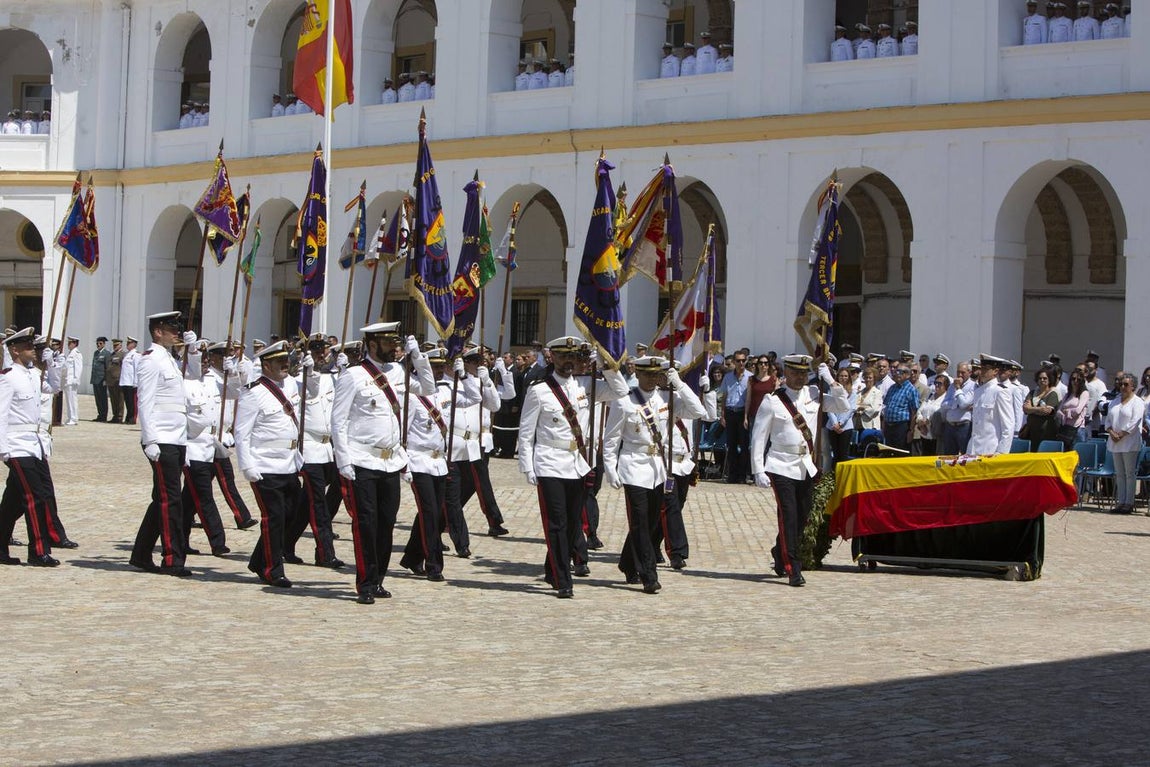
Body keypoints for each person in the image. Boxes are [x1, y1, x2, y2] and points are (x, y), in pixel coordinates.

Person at [331, 322, 435, 605]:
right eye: (390, 344)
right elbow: (337, 421)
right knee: (366, 523)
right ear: (373, 344)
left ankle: (378, 580)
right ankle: (364, 582)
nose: (395, 348)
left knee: (386, 523)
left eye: (397, 343)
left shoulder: (398, 372)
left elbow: (428, 387)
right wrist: (343, 460)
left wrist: (419, 358)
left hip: (390, 462)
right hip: (362, 460)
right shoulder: (353, 376)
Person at [518, 337, 627, 599]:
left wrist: (605, 363)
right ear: (551, 358)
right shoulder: (538, 389)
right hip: (549, 461)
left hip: (578, 463)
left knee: (572, 523)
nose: (568, 362)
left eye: (573, 357)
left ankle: (550, 567)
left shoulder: (586, 385)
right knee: (556, 523)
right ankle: (562, 578)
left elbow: (621, 391)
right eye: (563, 357)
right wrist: (527, 465)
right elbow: (525, 431)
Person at [603, 356, 704, 593]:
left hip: (657, 467)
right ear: (637, 374)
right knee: (639, 520)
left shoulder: (666, 399)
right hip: (633, 466)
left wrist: (679, 384)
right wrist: (610, 468)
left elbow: (698, 411)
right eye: (647, 374)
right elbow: (611, 440)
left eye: (655, 374)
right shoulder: (624, 402)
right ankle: (648, 574)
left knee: (650, 522)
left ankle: (627, 562)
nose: (652, 379)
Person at [751, 355, 850, 587]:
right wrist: (758, 469)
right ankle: (792, 566)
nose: (799, 377)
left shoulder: (815, 394)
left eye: (804, 373)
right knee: (788, 514)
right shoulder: (772, 400)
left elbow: (844, 406)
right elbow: (758, 437)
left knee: (802, 516)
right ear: (786, 372)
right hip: (780, 464)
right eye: (795, 373)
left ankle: (780, 552)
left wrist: (831, 380)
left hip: (805, 465)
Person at [129, 311, 196, 576]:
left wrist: (193, 351)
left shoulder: (170, 358)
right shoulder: (151, 360)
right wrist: (150, 439)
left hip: (176, 439)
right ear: (158, 332)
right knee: (172, 501)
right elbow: (144, 402)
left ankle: (141, 554)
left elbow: (194, 377)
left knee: (162, 499)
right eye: (171, 328)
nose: (176, 332)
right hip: (162, 440)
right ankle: (172, 558)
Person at [234, 341, 303, 588]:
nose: (286, 365)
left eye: (287, 360)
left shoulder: (291, 385)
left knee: (292, 514)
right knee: (274, 517)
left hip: (289, 464)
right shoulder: (253, 392)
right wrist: (247, 466)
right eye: (279, 362)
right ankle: (272, 569)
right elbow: (242, 433)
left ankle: (258, 560)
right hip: (265, 466)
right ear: (266, 365)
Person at [0, 328, 61, 567]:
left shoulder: (33, 374)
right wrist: (3, 448)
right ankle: (37, 551)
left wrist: (52, 363)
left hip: (33, 445)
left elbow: (53, 387)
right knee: (35, 496)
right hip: (16, 446)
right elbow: (1, 414)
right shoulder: (7, 377)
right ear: (14, 350)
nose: (32, 350)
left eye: (33, 347)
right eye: (27, 347)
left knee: (13, 502)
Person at [179, 342, 231, 558]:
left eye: (208, 359)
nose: (206, 363)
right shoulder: (183, 384)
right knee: (204, 497)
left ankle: (176, 538)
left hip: (212, 446)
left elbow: (235, 391)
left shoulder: (211, 381)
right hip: (193, 448)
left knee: (188, 500)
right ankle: (218, 541)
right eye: (202, 359)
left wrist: (233, 371)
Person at [440, 346, 492, 558]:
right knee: (447, 499)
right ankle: (460, 542)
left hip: (469, 448)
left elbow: (479, 399)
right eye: (453, 363)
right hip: (447, 448)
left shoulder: (467, 382)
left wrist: (467, 377)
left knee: (461, 492)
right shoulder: (438, 386)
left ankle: (441, 529)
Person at [1106, 373, 1144, 513]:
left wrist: (1121, 434)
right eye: (1121, 384)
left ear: (1133, 386)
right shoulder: (1114, 401)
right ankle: (1120, 502)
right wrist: (1112, 432)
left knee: (1129, 473)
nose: (1122, 387)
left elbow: (1135, 421)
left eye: (1126, 384)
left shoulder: (1137, 401)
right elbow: (1108, 420)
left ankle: (1129, 503)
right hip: (1115, 441)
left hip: (1129, 442)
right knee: (1119, 473)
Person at [968, 355, 1016, 455]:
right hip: (973, 449)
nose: (982, 371)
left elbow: (1008, 425)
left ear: (995, 371)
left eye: (986, 369)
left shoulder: (1000, 392)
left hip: (990, 450)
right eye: (981, 368)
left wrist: (1001, 452)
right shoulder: (978, 391)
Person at [717, 350, 752, 483]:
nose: (741, 363)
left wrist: (746, 417)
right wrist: (723, 415)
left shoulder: (750, 377)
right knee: (731, 445)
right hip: (730, 412)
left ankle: (742, 476)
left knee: (744, 445)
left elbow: (749, 399)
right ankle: (732, 475)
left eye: (743, 360)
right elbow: (724, 396)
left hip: (743, 412)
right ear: (734, 362)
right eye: (738, 361)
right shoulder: (727, 377)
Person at [939, 362, 975, 454]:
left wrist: (958, 388)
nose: (959, 375)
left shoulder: (973, 386)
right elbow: (943, 404)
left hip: (963, 426)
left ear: (969, 373)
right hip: (950, 425)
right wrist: (956, 404)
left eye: (963, 372)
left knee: (965, 455)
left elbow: (964, 403)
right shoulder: (952, 385)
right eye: (958, 372)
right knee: (949, 456)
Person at [1022, 368, 1060, 450]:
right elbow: (1025, 409)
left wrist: (1031, 409)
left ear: (1049, 380)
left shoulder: (1053, 394)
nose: (1042, 380)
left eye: (1045, 378)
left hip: (1046, 432)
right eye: (1040, 378)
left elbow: (1047, 411)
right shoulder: (1032, 393)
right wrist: (1039, 409)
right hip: (1031, 432)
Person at [882, 366, 919, 451]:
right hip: (888, 426)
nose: (897, 374)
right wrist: (883, 425)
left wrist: (911, 430)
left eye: (901, 372)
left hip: (901, 427)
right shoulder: (892, 387)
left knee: (899, 452)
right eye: (897, 371)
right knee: (888, 452)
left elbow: (914, 412)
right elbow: (886, 407)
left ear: (907, 375)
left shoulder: (911, 390)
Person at [826, 367, 857, 464]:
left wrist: (840, 423)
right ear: (837, 377)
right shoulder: (831, 390)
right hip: (832, 426)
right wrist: (835, 423)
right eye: (841, 376)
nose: (843, 378)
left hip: (845, 427)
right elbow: (829, 409)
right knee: (835, 455)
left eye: (845, 376)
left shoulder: (852, 392)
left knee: (843, 455)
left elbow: (850, 410)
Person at [914, 373, 949, 456]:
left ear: (946, 386)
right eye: (935, 383)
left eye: (940, 384)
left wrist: (927, 421)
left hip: (937, 437)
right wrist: (921, 423)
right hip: (924, 435)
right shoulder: (930, 396)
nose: (936, 385)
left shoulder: (946, 399)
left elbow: (942, 414)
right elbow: (919, 411)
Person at [1056, 368, 1090, 447]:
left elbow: (1078, 411)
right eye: (1073, 379)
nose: (1075, 381)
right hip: (1066, 429)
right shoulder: (1067, 395)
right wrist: (1064, 414)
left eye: (1078, 379)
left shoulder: (1084, 393)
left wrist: (1066, 412)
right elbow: (1058, 411)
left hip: (1077, 430)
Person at [90, 336, 112, 422]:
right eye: (97, 343)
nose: (98, 345)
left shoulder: (107, 354)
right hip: (95, 379)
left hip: (102, 379)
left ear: (104, 344)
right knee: (97, 398)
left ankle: (104, 415)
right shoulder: (96, 353)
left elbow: (107, 368)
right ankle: (100, 414)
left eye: (100, 343)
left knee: (103, 398)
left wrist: (106, 380)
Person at [119, 336, 140, 424]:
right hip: (125, 381)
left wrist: (136, 382)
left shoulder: (136, 355)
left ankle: (132, 418)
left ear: (134, 344)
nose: (127, 344)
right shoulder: (127, 354)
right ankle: (128, 417)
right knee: (127, 401)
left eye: (129, 343)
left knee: (132, 402)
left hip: (131, 382)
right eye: (127, 343)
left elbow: (136, 369)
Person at [62, 336, 82, 425]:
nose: (68, 345)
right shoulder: (70, 353)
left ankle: (74, 418)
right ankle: (70, 417)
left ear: (74, 343)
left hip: (72, 380)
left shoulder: (77, 354)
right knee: (69, 400)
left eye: (69, 343)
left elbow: (78, 368)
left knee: (72, 400)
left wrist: (76, 379)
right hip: (68, 380)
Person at [106, 338, 126, 423]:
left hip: (118, 380)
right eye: (114, 345)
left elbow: (124, 368)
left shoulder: (123, 355)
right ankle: (115, 415)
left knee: (120, 399)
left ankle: (119, 417)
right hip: (111, 380)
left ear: (120, 345)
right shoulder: (112, 354)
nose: (115, 347)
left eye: (116, 345)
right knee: (113, 399)